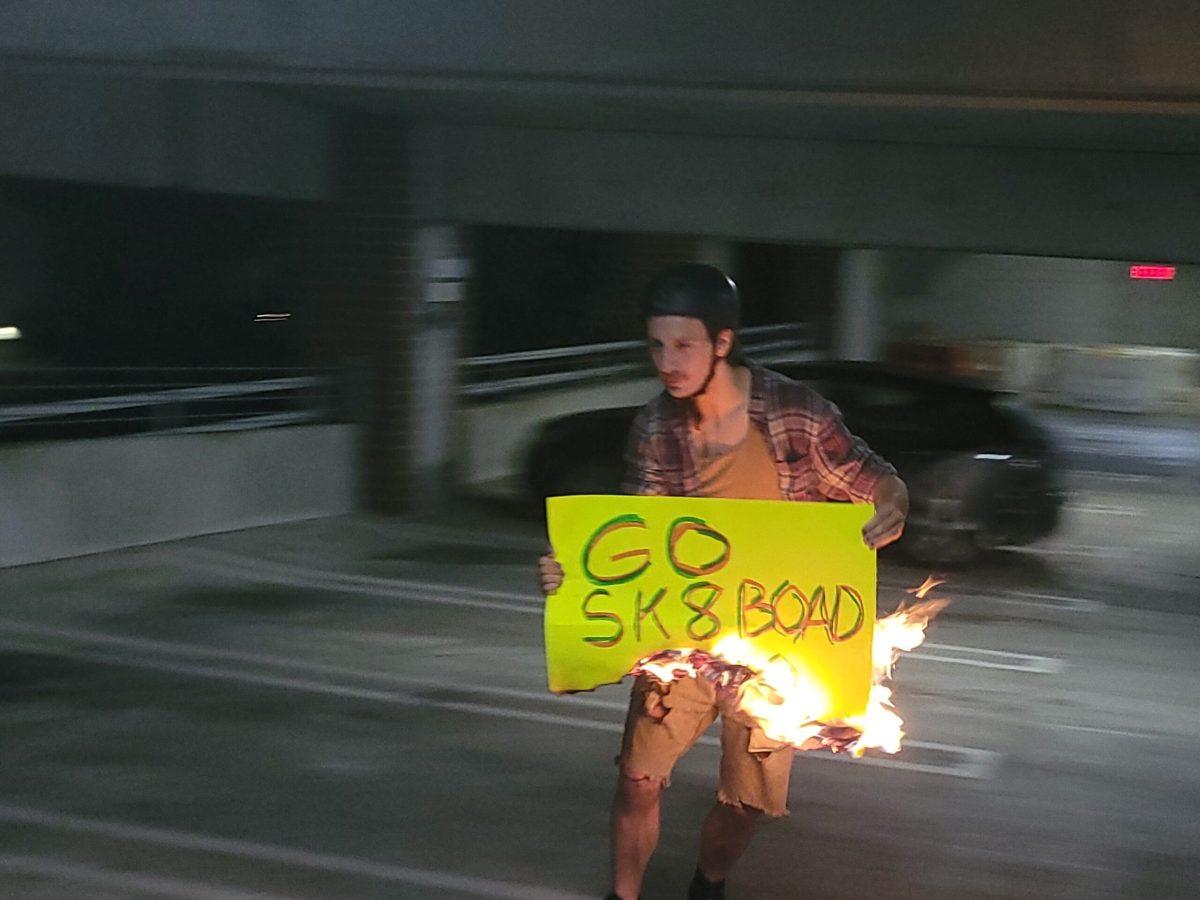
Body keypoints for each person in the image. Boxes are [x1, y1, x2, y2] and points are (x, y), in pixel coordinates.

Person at [537, 263, 908, 900]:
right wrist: (575, 573)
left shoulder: (795, 411)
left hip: (781, 643)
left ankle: (707, 883)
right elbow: (637, 533)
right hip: (684, 636)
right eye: (656, 345)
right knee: (637, 779)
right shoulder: (656, 425)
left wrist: (894, 506)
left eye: (683, 345)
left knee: (748, 802)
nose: (667, 362)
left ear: (722, 343)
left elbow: (876, 478)